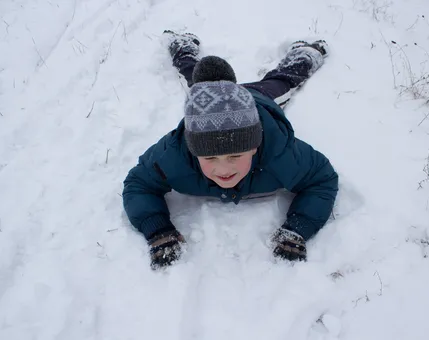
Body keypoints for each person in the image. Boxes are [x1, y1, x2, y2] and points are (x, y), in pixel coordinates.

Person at [123, 30, 339, 269]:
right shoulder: (175, 155)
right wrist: (158, 228)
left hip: (257, 98)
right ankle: (183, 47)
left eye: (235, 155)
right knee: (196, 81)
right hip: (206, 108)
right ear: (194, 151)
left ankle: (304, 54)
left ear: (255, 147)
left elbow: (322, 179)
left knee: (282, 81)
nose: (223, 168)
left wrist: (298, 228)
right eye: (210, 157)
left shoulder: (281, 153)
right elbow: (139, 184)